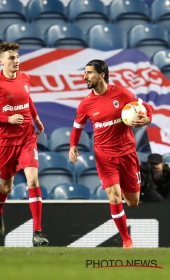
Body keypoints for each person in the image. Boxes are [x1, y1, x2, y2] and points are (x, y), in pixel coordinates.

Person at [68, 59, 153, 248]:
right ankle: (126, 240)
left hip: (127, 154)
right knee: (114, 197)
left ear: (102, 74)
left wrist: (147, 119)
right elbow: (76, 128)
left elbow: (145, 107)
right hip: (104, 157)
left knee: (133, 203)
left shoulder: (121, 93)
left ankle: (121, 188)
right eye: (85, 72)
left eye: (89, 72)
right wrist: (72, 145)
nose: (85, 76)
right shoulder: (86, 104)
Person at [0, 42, 48, 247]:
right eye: (11, 57)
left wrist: (36, 118)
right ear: (1, 61)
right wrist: (7, 120)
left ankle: (37, 232)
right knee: (6, 187)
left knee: (33, 180)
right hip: (5, 143)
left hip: (27, 137)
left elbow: (28, 99)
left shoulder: (25, 78)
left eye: (17, 57)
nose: (16, 61)